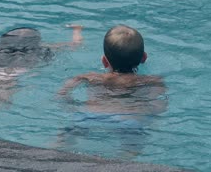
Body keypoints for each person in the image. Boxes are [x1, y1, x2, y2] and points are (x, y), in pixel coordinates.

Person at [56, 25, 167, 157]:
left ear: (104, 61)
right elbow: (159, 107)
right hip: (129, 122)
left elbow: (62, 94)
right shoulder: (152, 81)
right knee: (129, 154)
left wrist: (74, 107)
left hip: (89, 116)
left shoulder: (90, 77)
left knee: (59, 144)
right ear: (144, 58)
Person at [0, 25, 83, 115]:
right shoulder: (41, 48)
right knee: (2, 97)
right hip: (20, 70)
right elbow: (74, 45)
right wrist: (77, 29)